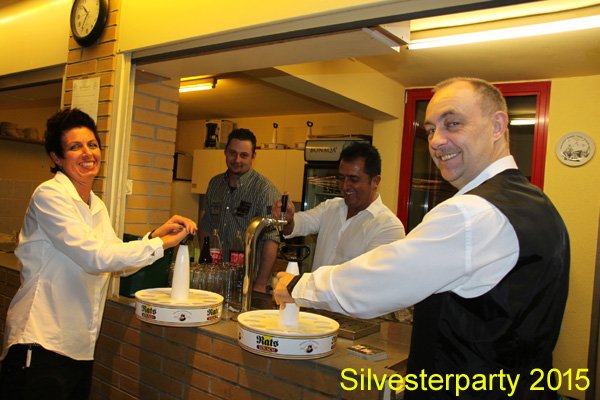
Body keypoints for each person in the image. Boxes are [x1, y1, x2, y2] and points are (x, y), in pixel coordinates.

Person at [274, 77, 569, 399]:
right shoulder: (537, 203)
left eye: (452, 123)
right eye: (430, 130)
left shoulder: (471, 212)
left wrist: (296, 285)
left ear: (497, 126)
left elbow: (380, 282)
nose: (437, 141)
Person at [0, 108, 197, 400]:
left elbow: (117, 262)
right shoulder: (49, 195)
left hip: (79, 347)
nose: (87, 153)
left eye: (92, 144)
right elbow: (95, 258)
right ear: (57, 158)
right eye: (75, 146)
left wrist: (155, 236)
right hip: (41, 342)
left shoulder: (96, 205)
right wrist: (162, 244)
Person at [273, 141, 405, 272]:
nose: (345, 186)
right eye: (341, 178)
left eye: (353, 179)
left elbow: (368, 278)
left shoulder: (388, 227)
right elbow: (299, 224)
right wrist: (288, 219)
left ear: (375, 181)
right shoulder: (330, 207)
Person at [201, 128, 280, 293]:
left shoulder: (264, 190)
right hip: (216, 279)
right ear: (225, 152)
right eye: (233, 153)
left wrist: (260, 284)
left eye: (244, 155)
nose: (237, 160)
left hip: (248, 283)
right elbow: (206, 227)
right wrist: (206, 269)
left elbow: (271, 240)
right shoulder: (215, 184)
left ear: (253, 156)